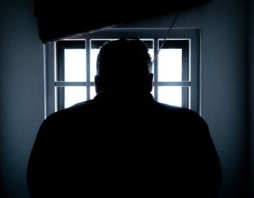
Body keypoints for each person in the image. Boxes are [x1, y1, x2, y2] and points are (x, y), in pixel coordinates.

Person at [27, 38, 222, 197]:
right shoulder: (188, 126)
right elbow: (208, 185)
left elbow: (39, 187)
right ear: (150, 82)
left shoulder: (58, 126)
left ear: (97, 82)